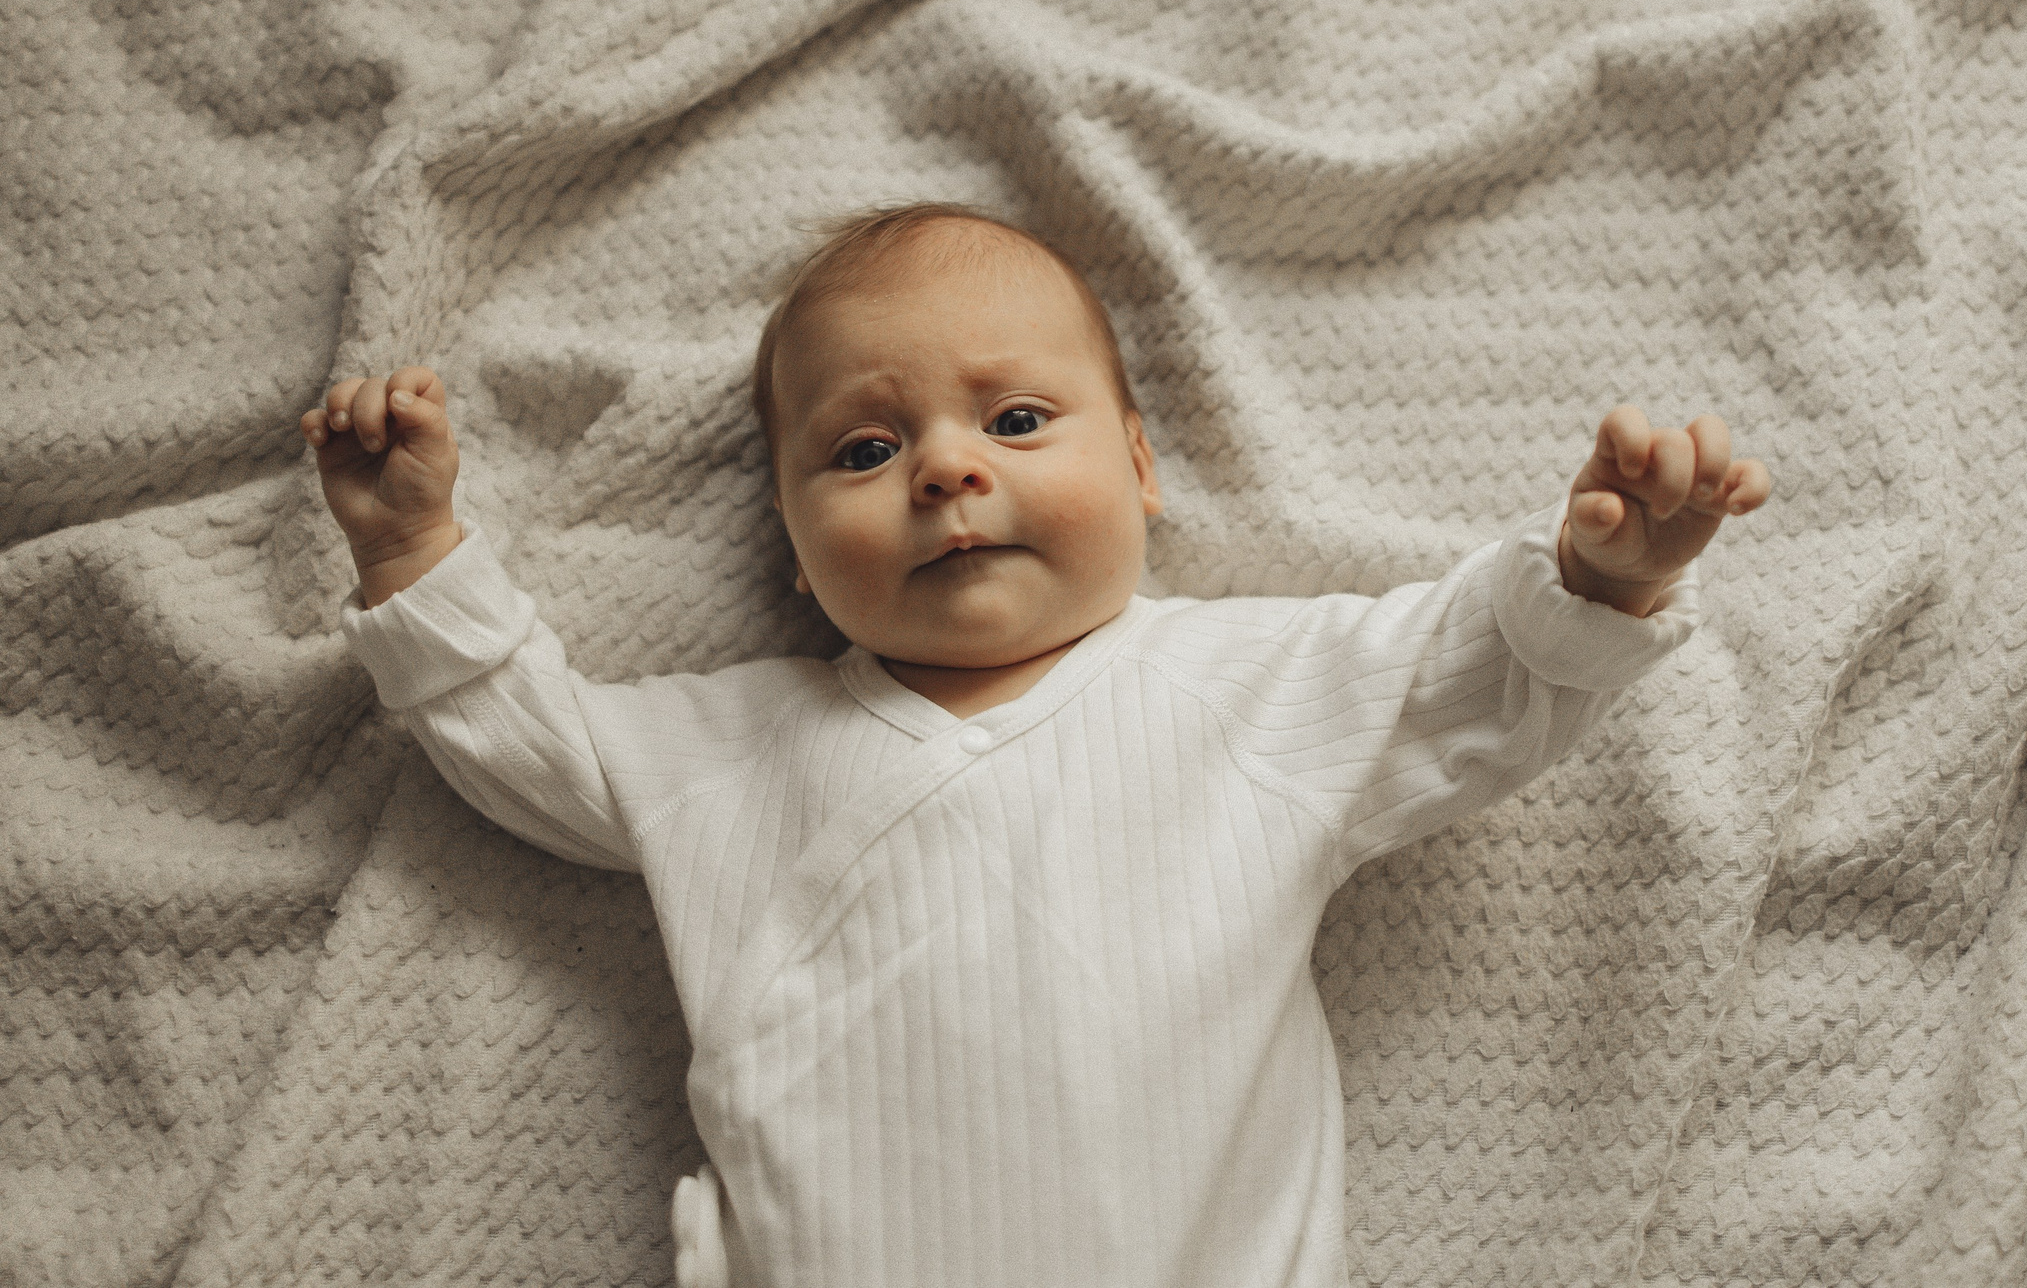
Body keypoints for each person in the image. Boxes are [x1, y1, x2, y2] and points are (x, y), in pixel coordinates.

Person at [300, 202, 1772, 1288]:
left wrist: (1604, 577)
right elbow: (524, 736)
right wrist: (414, 550)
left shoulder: (1249, 688)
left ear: (1138, 469)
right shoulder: (731, 746)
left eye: (1013, 418)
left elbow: (1475, 675)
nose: (947, 466)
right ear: (799, 555)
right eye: (864, 452)